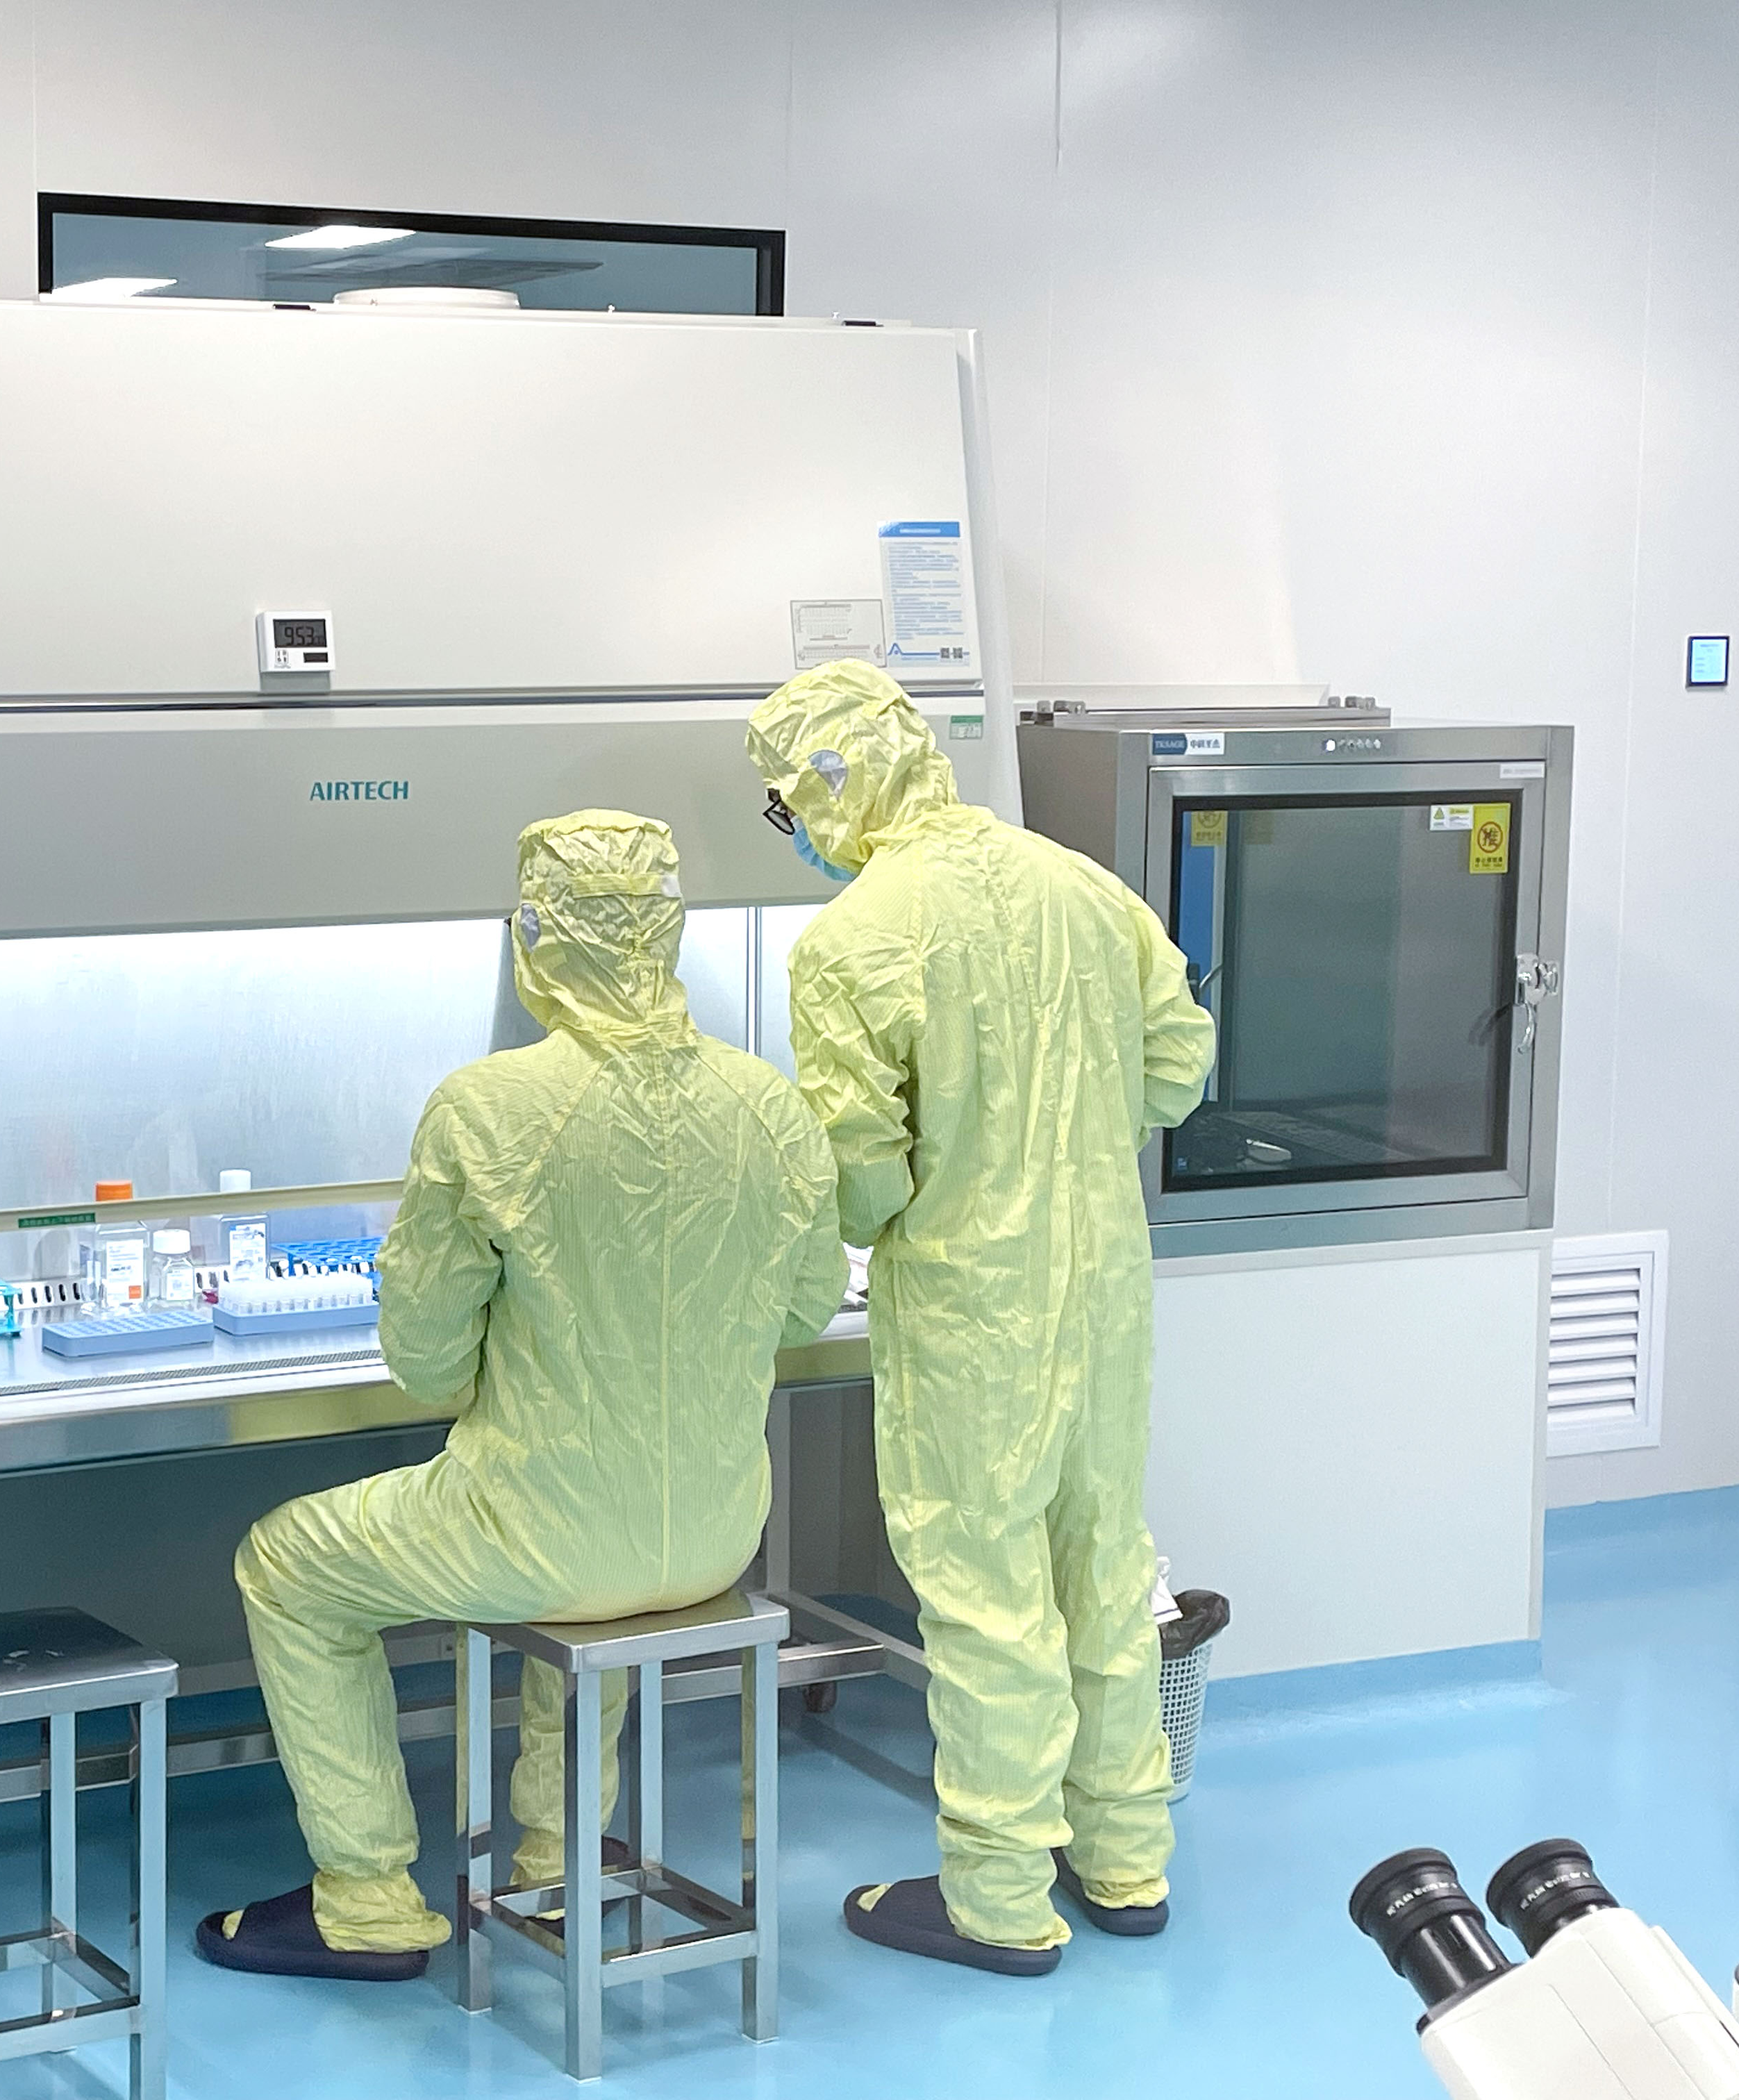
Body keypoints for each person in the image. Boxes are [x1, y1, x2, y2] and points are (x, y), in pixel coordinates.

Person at [198, 808, 847, 1981]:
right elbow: (802, 1312)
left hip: (544, 1536)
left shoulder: (488, 1108)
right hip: (714, 1535)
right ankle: (555, 1857)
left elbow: (425, 1359)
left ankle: (368, 1897)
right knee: (594, 1555)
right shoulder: (771, 1105)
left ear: (535, 937)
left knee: (287, 1567)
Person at [745, 660, 1215, 1977]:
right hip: (1102, 1294)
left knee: (986, 1590)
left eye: (788, 804)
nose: (797, 831)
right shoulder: (1083, 887)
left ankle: (1000, 1896)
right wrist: (1065, 1135)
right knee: (1103, 1568)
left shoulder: (850, 941)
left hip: (970, 1313)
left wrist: (945, 1169)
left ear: (833, 782)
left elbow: (861, 1179)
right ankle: (1124, 1860)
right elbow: (1179, 1068)